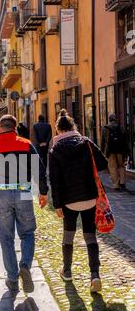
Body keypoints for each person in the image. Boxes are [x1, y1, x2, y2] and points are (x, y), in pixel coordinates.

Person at [0, 115, 49, 293]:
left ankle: (12, 278)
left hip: (3, 193)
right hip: (23, 191)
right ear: (15, 127)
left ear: (0, 128)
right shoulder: (26, 144)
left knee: (6, 238)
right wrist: (43, 192)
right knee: (27, 233)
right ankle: (26, 266)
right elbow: (39, 168)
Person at [49, 109, 108, 294]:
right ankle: (95, 275)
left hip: (68, 201)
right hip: (89, 197)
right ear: (73, 127)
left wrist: (57, 204)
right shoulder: (86, 143)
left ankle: (66, 271)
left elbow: (54, 180)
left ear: (58, 130)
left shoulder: (55, 149)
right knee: (90, 236)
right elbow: (103, 163)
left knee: (68, 236)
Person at [101, 113, 129, 191]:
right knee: (121, 166)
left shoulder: (105, 128)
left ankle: (116, 185)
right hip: (120, 150)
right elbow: (125, 141)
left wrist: (102, 152)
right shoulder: (121, 127)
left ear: (109, 119)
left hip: (110, 151)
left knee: (113, 168)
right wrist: (127, 151)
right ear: (115, 119)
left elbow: (103, 142)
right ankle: (122, 182)